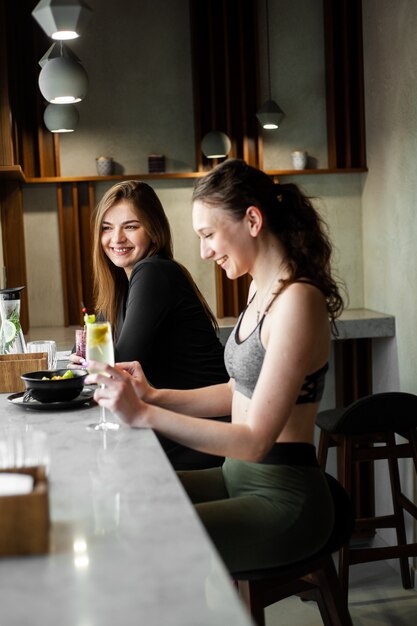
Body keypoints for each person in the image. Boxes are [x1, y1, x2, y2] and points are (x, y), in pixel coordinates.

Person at [85, 159, 345, 574]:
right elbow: (234, 391)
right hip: (233, 477)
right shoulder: (259, 289)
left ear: (253, 220)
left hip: (282, 498)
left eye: (208, 235)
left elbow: (257, 441)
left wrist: (146, 413)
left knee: (142, 537)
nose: (204, 251)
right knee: (124, 497)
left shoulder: (297, 301)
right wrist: (152, 394)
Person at [70, 180, 229, 470]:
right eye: (107, 227)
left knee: (96, 464)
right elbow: (92, 349)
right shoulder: (123, 284)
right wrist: (87, 358)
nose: (116, 238)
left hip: (204, 430)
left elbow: (116, 363)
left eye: (130, 226)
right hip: (178, 420)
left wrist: (88, 361)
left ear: (153, 231)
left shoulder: (153, 272)